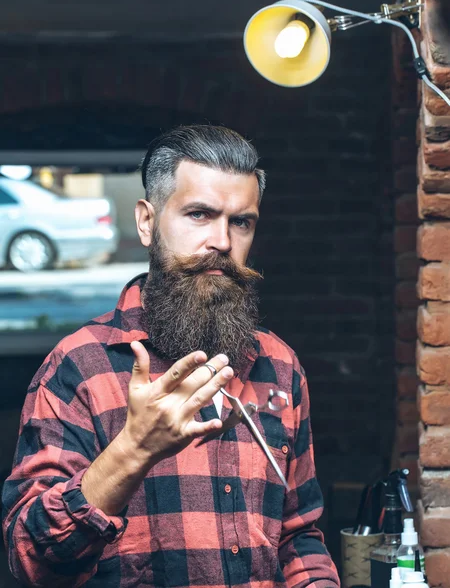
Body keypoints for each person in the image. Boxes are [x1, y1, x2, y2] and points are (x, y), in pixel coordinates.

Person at [2, 125, 340, 587]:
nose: (222, 241)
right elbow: (30, 560)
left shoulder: (279, 365)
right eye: (199, 214)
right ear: (146, 221)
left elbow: (298, 536)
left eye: (241, 221)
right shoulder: (80, 366)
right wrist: (133, 450)